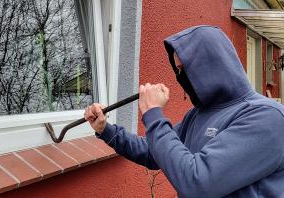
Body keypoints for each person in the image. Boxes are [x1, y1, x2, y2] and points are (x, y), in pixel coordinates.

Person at [84, 25, 284, 198]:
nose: (181, 76)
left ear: (211, 63)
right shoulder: (198, 115)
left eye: (185, 69)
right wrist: (106, 130)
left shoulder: (267, 118)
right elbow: (155, 152)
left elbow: (197, 184)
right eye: (177, 70)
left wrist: (153, 113)